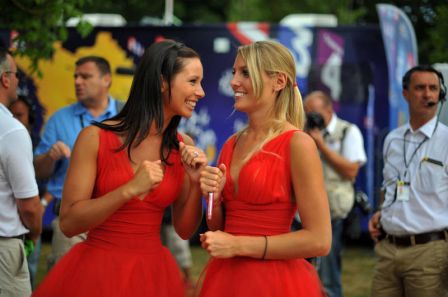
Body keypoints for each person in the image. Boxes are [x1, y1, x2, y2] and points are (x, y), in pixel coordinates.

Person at [32, 40, 206, 297]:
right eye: (192, 81)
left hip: (152, 276)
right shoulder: (94, 138)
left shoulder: (182, 145)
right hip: (96, 273)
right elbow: (68, 223)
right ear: (162, 82)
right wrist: (129, 189)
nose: (200, 92)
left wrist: (194, 182)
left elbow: (184, 230)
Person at [197, 40, 331, 297]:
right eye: (235, 72)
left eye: (245, 73)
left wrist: (238, 245)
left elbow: (320, 240)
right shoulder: (232, 144)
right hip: (227, 278)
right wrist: (212, 196)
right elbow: (218, 229)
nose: (234, 81)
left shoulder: (298, 144)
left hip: (274, 282)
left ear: (278, 82)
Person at [33, 55, 123, 268]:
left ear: (106, 80)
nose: (77, 82)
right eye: (76, 76)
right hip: (71, 224)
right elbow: (38, 171)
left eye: (85, 76)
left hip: (116, 221)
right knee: (68, 285)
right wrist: (49, 156)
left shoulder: (126, 117)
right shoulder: (59, 118)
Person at [368, 65, 448, 297]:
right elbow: (390, 187)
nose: (427, 94)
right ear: (406, 93)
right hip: (388, 251)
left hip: (429, 253)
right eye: (420, 88)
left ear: (440, 95)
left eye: (433, 88)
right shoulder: (392, 139)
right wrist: (382, 212)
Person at [303, 91, 367, 297]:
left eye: (314, 112)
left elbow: (351, 170)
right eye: (306, 112)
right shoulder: (303, 133)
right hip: (303, 215)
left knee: (328, 278)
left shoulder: (348, 131)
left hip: (334, 214)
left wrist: (321, 145)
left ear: (329, 110)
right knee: (302, 275)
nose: (310, 117)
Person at [0, 49, 43, 296]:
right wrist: (35, 234)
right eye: (15, 75)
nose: (17, 81)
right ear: (5, 79)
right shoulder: (12, 130)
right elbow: (28, 205)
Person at [9, 95, 51, 289]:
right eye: (11, 115)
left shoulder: (36, 144)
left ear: (30, 120)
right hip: (12, 223)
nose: (14, 120)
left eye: (20, 115)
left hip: (31, 218)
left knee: (30, 271)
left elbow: (53, 180)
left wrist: (41, 205)